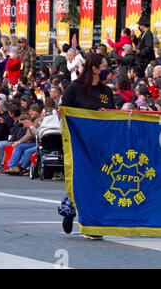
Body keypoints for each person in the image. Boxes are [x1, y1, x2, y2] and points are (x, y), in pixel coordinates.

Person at [59, 53, 115, 239]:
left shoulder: (106, 92)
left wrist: (105, 114)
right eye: (105, 66)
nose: (108, 70)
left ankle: (93, 222)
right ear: (94, 68)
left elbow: (113, 116)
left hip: (100, 143)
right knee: (80, 180)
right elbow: (62, 112)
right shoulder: (75, 88)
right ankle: (69, 210)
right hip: (79, 143)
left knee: (99, 181)